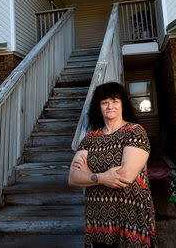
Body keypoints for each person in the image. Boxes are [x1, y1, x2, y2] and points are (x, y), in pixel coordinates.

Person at [68, 82, 156, 248]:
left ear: (123, 104)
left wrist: (88, 174)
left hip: (131, 222)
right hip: (99, 224)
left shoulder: (135, 132)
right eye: (104, 102)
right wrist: (102, 177)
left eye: (115, 101)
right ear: (98, 107)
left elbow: (125, 176)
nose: (110, 106)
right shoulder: (89, 139)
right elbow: (73, 178)